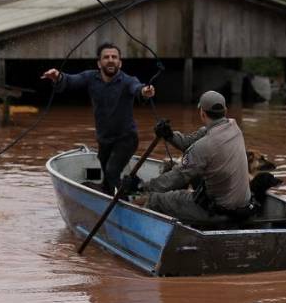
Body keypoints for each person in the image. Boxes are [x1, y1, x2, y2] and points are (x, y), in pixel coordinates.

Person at [41, 43, 156, 194]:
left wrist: (145, 92)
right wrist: (58, 77)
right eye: (106, 57)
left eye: (114, 57)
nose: (110, 60)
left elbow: (138, 89)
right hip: (104, 139)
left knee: (111, 171)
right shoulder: (90, 77)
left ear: (120, 63)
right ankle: (129, 188)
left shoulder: (128, 81)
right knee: (107, 180)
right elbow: (70, 80)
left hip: (126, 139)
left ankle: (125, 201)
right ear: (99, 63)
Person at [138, 90, 254, 224]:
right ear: (225, 111)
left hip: (218, 211)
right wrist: (170, 135)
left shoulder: (203, 146)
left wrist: (143, 187)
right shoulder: (234, 128)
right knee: (194, 172)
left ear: (202, 114)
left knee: (155, 199)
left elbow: (178, 175)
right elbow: (189, 142)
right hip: (243, 207)